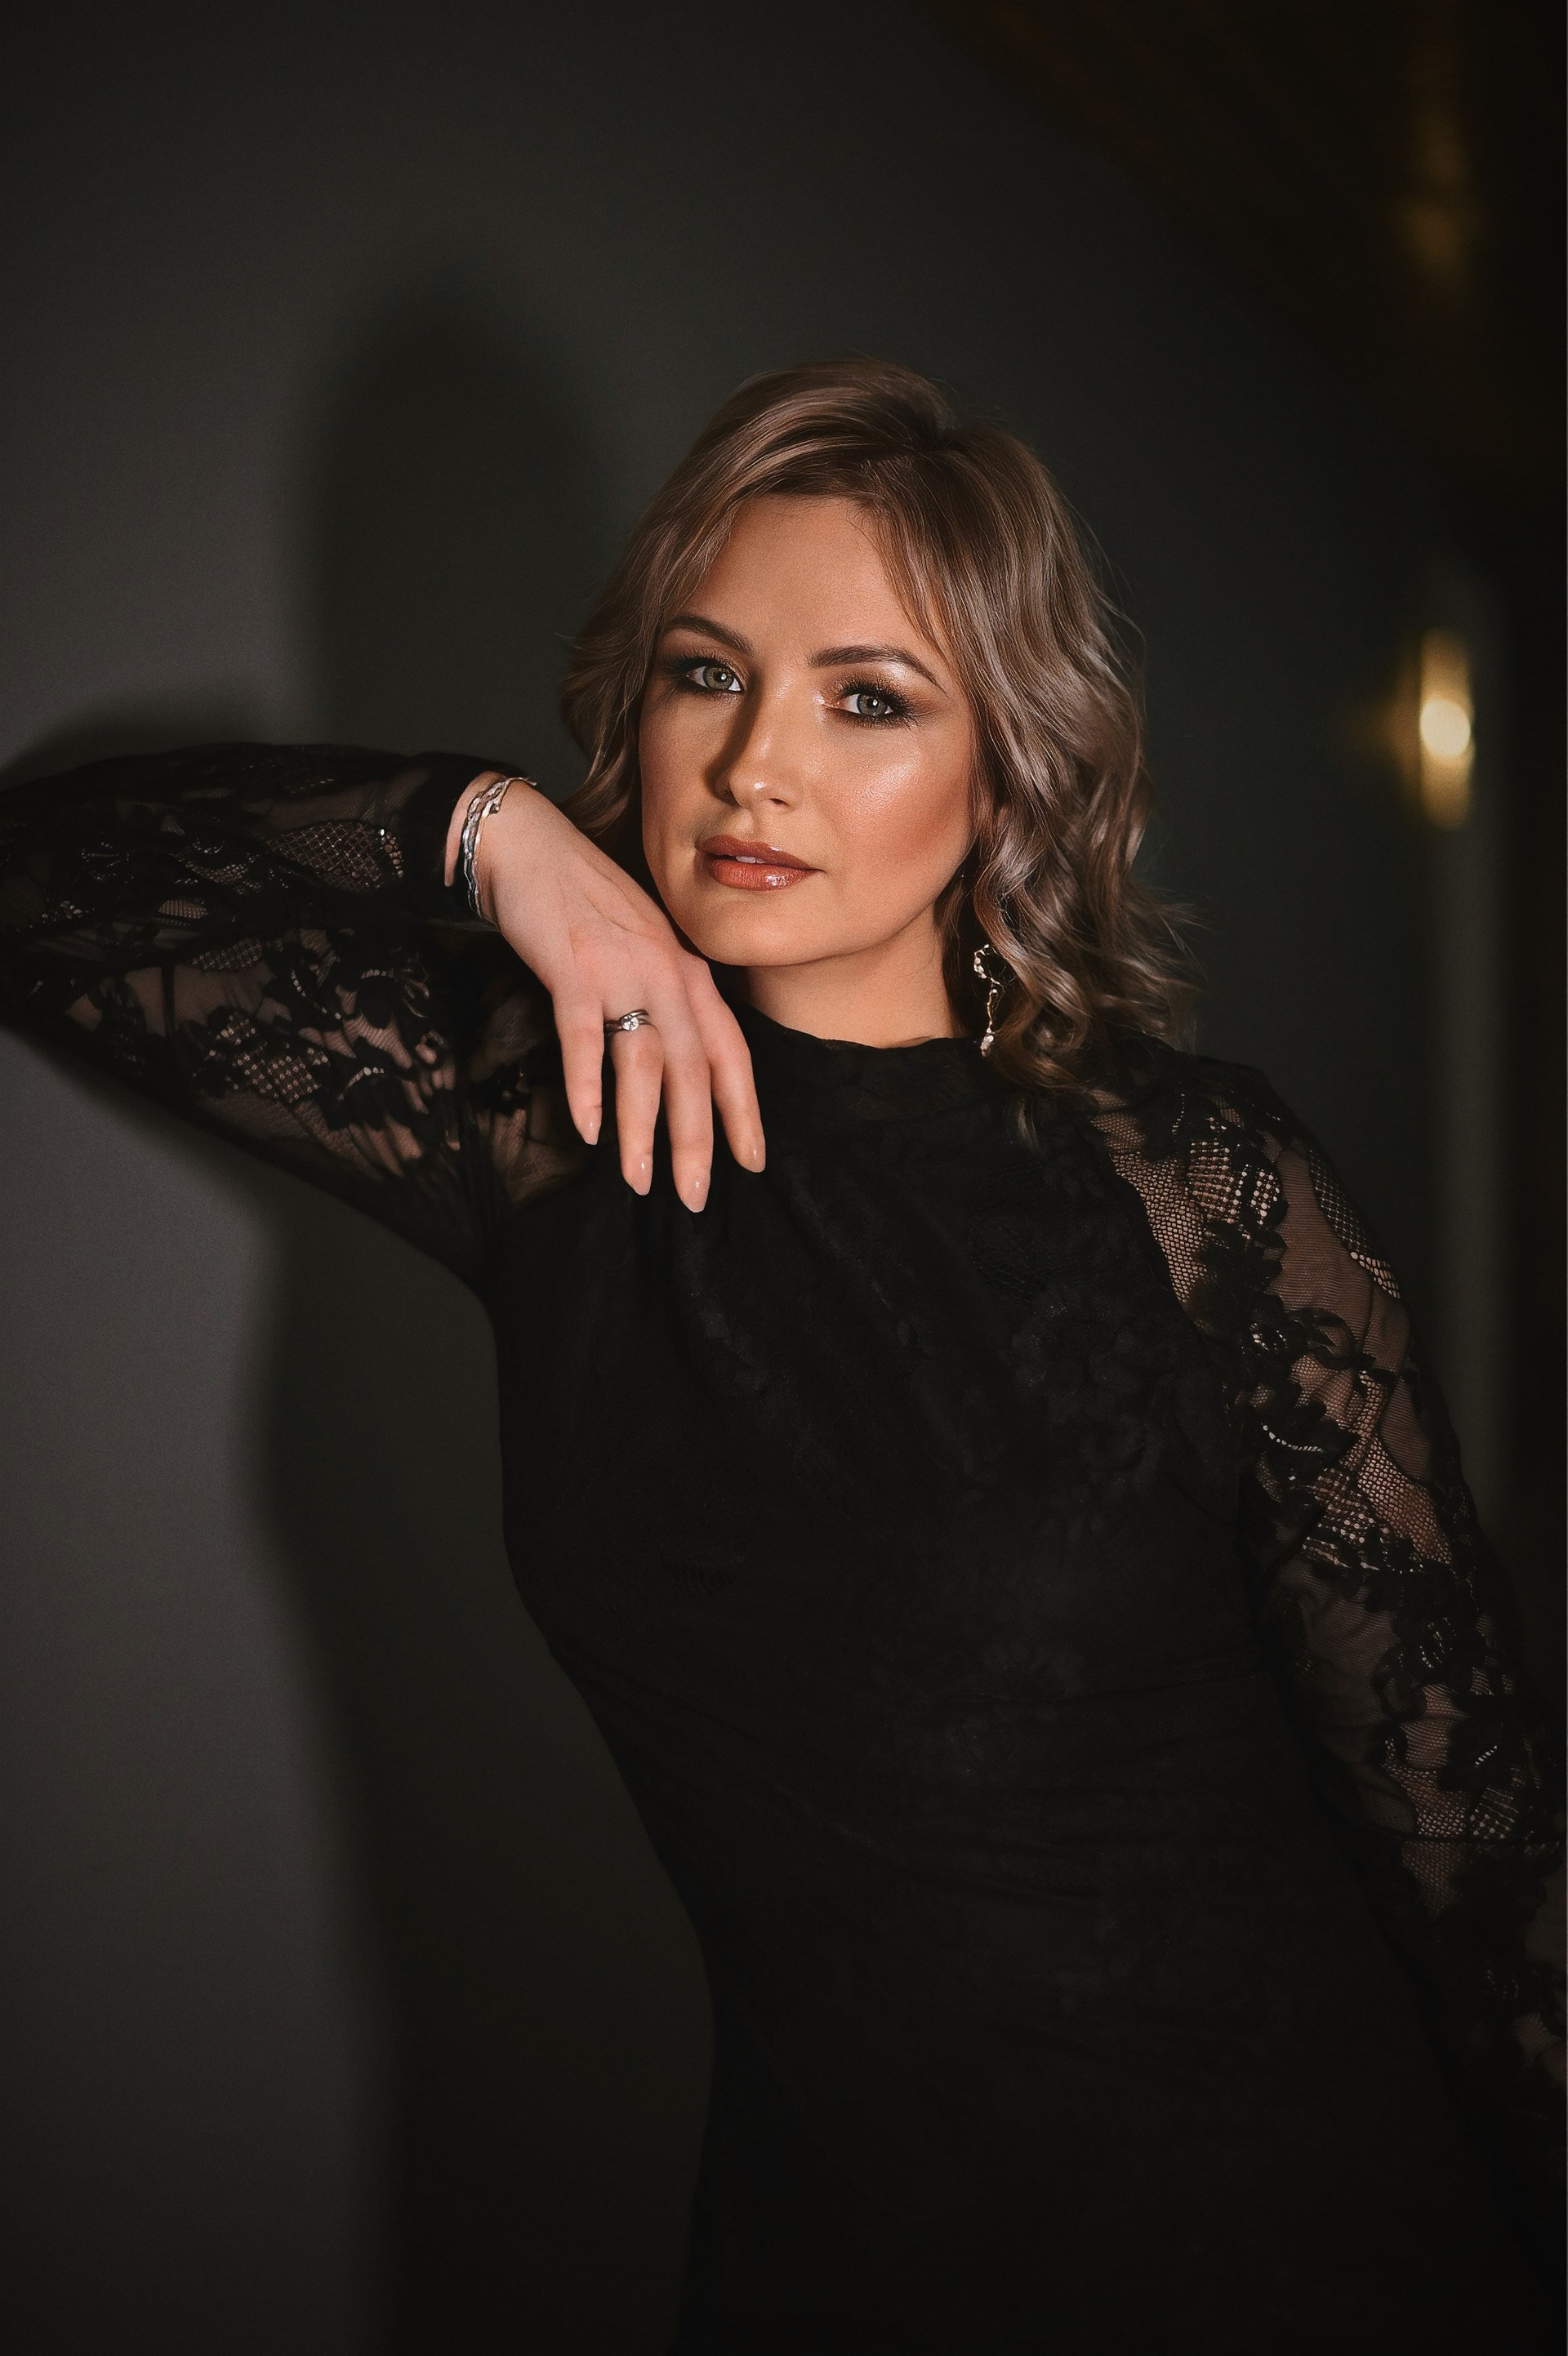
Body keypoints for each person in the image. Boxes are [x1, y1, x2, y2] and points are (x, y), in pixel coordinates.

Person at [1, 361, 1560, 2353]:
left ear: (1009, 776)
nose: (754, 767)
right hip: (831, 2266)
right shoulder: (540, 1122)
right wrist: (488, 836)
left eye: (868, 699)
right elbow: (41, 891)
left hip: (1288, 2249)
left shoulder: (1193, 1190)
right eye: (706, 676)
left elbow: (1467, 1832)